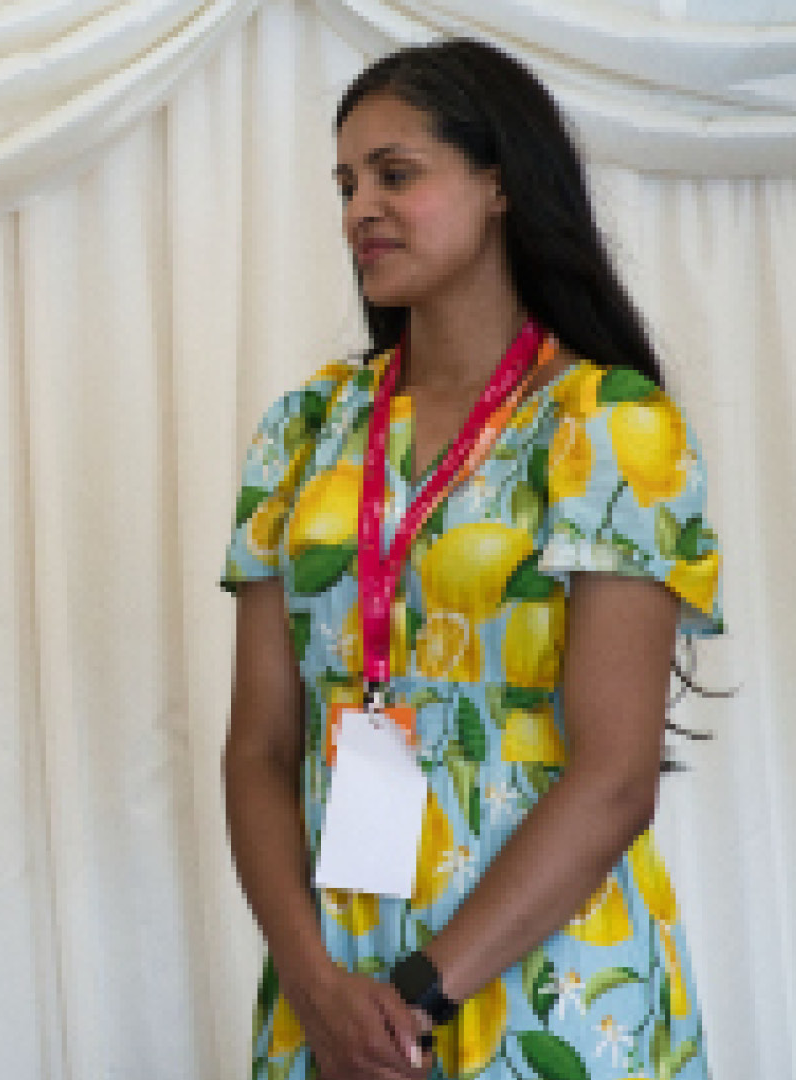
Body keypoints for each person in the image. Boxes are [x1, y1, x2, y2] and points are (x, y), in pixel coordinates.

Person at [221, 39, 720, 1080]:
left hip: (552, 981)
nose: (360, 209)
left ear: (501, 183)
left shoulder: (609, 425)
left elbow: (616, 778)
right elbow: (259, 748)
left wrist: (414, 1002)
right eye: (347, 185)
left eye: (395, 174)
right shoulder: (302, 431)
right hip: (335, 988)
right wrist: (316, 989)